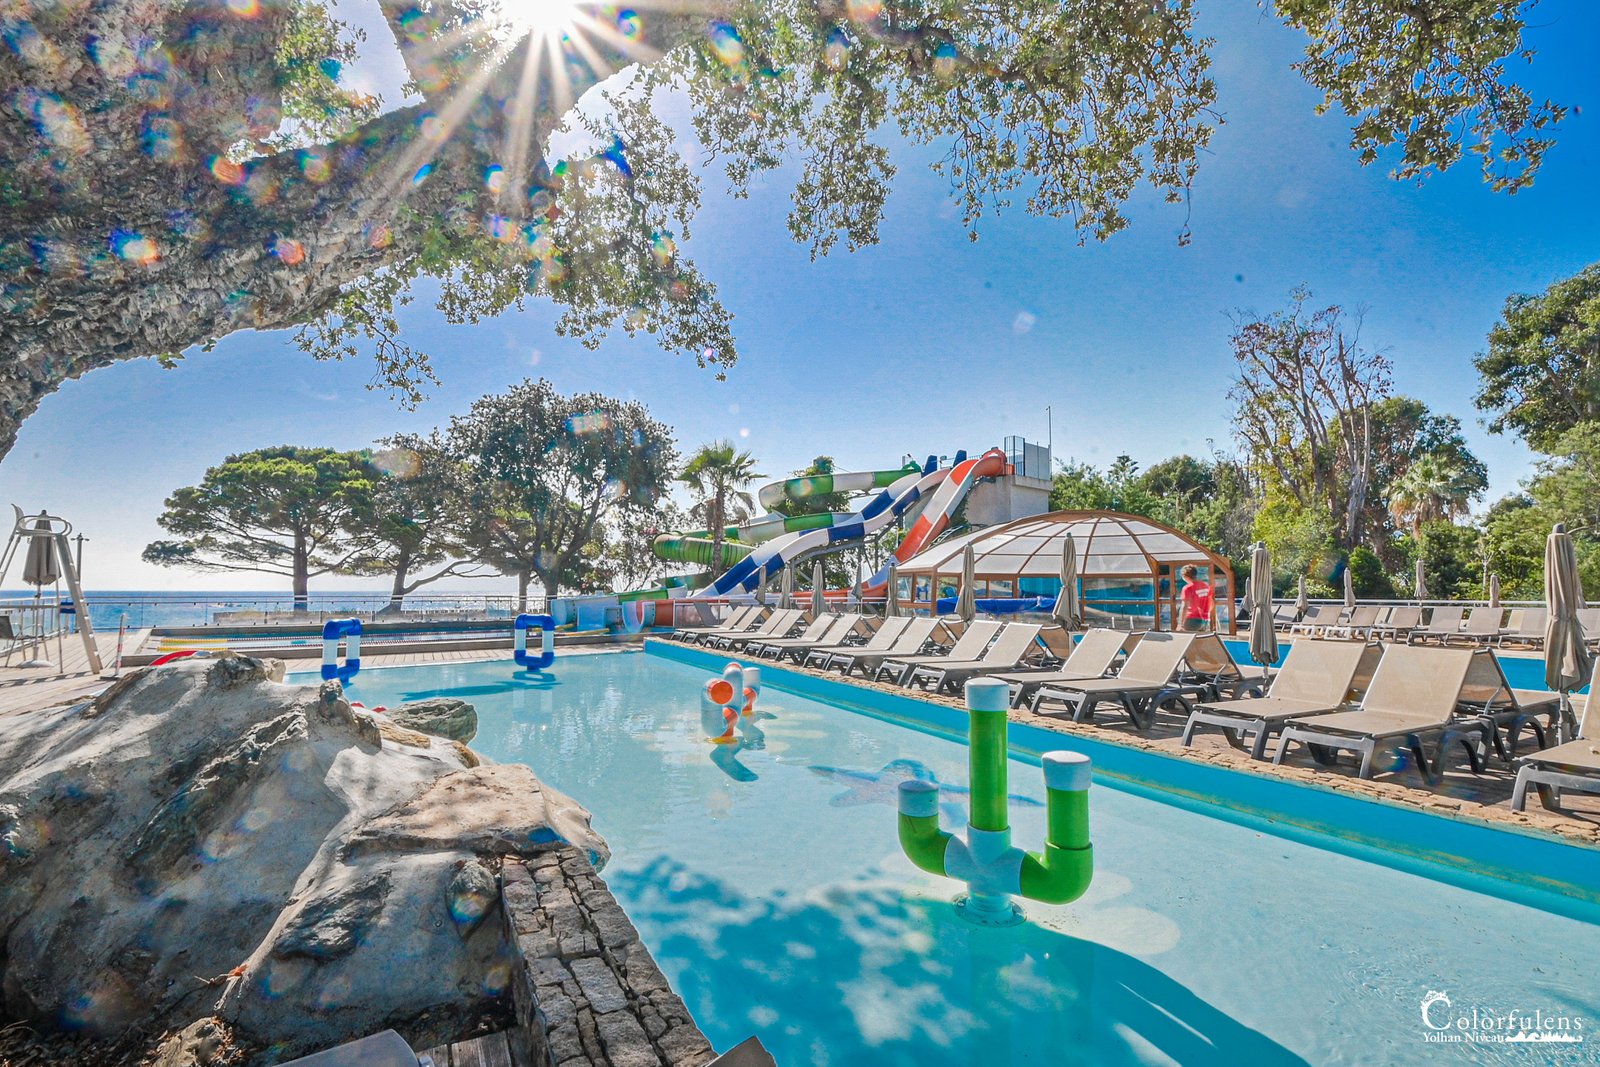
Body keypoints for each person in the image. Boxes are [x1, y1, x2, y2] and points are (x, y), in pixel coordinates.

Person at [1179, 565, 1213, 632]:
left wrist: (1180, 623)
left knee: (1187, 640)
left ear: (1185, 576)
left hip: (1191, 620)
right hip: (1204, 620)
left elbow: (1184, 606)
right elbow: (1211, 603)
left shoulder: (1187, 588)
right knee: (1200, 641)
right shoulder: (1206, 586)